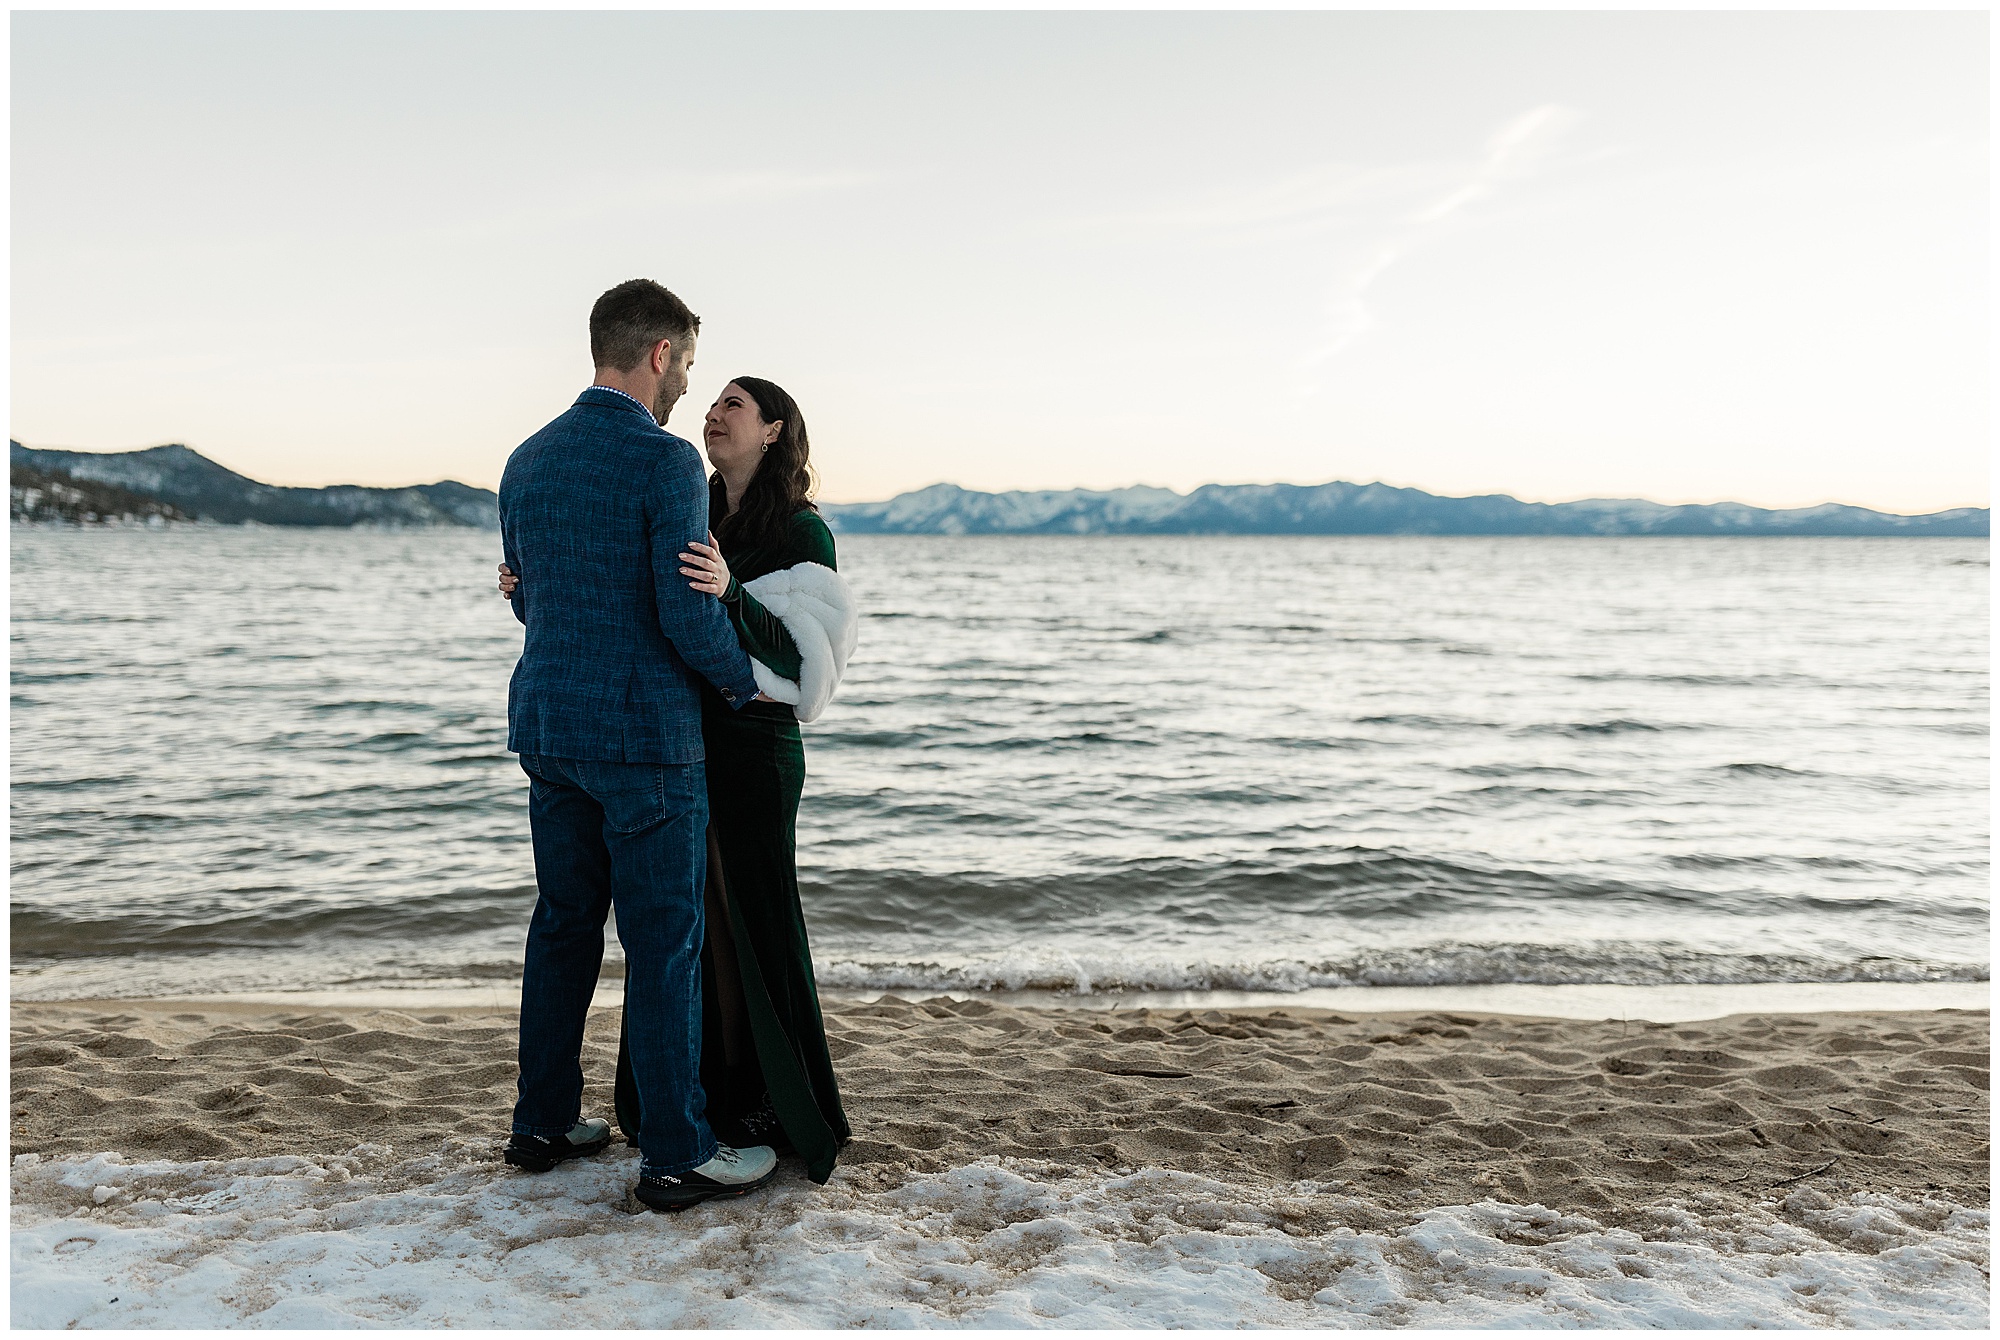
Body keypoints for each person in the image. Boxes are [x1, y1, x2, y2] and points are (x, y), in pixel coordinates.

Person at [499, 375, 854, 1186]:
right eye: (713, 399)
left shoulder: (802, 530)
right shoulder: (685, 497)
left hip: (752, 745)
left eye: (736, 405)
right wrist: (534, 588)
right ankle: (696, 1110)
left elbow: (811, 661)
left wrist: (731, 596)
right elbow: (636, 605)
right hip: (678, 736)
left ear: (774, 432)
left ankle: (776, 1104)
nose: (714, 412)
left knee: (752, 926)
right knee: (690, 938)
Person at [496, 278, 780, 1214]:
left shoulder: (526, 462)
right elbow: (682, 613)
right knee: (664, 946)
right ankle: (675, 1153)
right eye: (689, 366)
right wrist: (745, 685)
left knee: (563, 926)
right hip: (647, 741)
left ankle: (541, 1123)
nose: (690, 389)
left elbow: (535, 603)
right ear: (659, 353)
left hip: (550, 731)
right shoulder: (662, 465)